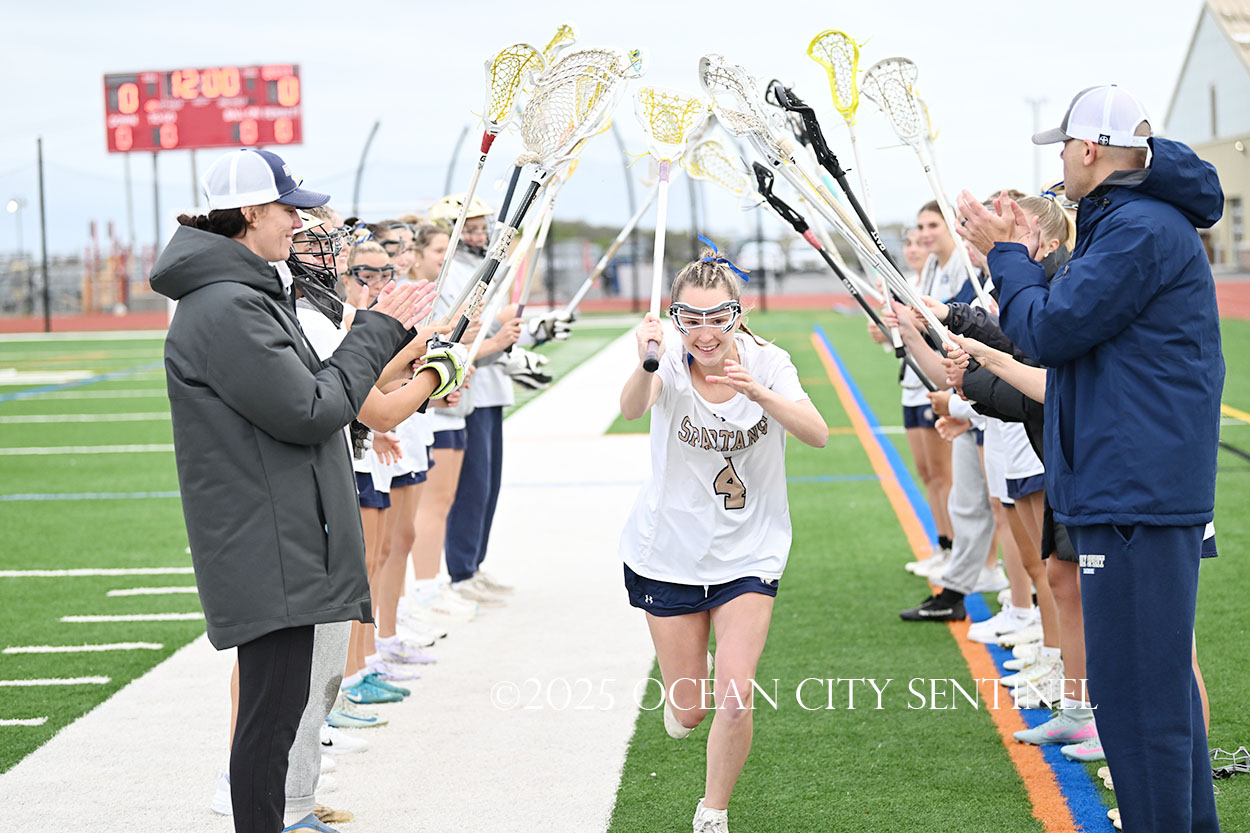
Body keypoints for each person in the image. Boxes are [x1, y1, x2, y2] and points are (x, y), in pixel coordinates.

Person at [957, 85, 1224, 833]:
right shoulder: (1132, 221)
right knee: (1151, 693)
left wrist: (1007, 255)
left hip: (1135, 489)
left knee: (1140, 698)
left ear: (1088, 149)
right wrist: (1011, 262)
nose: (1061, 166)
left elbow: (1049, 331)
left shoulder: (1137, 228)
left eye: (1065, 150)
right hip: (1130, 483)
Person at [150, 148, 437, 833]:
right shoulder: (226, 305)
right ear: (251, 212)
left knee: (278, 718)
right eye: (288, 209)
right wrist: (375, 331)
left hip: (278, 532)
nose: (298, 223)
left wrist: (387, 343)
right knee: (270, 719)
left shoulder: (241, 294)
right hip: (266, 539)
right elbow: (310, 409)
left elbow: (318, 393)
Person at [618, 247, 828, 833]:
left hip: (749, 551)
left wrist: (759, 394)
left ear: (739, 313)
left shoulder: (769, 363)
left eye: (718, 317)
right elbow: (632, 409)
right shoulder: (666, 360)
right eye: (692, 318)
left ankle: (713, 812)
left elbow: (817, 433)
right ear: (676, 317)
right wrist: (644, 362)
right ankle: (693, 677)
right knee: (689, 711)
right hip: (669, 551)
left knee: (735, 695)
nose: (705, 332)